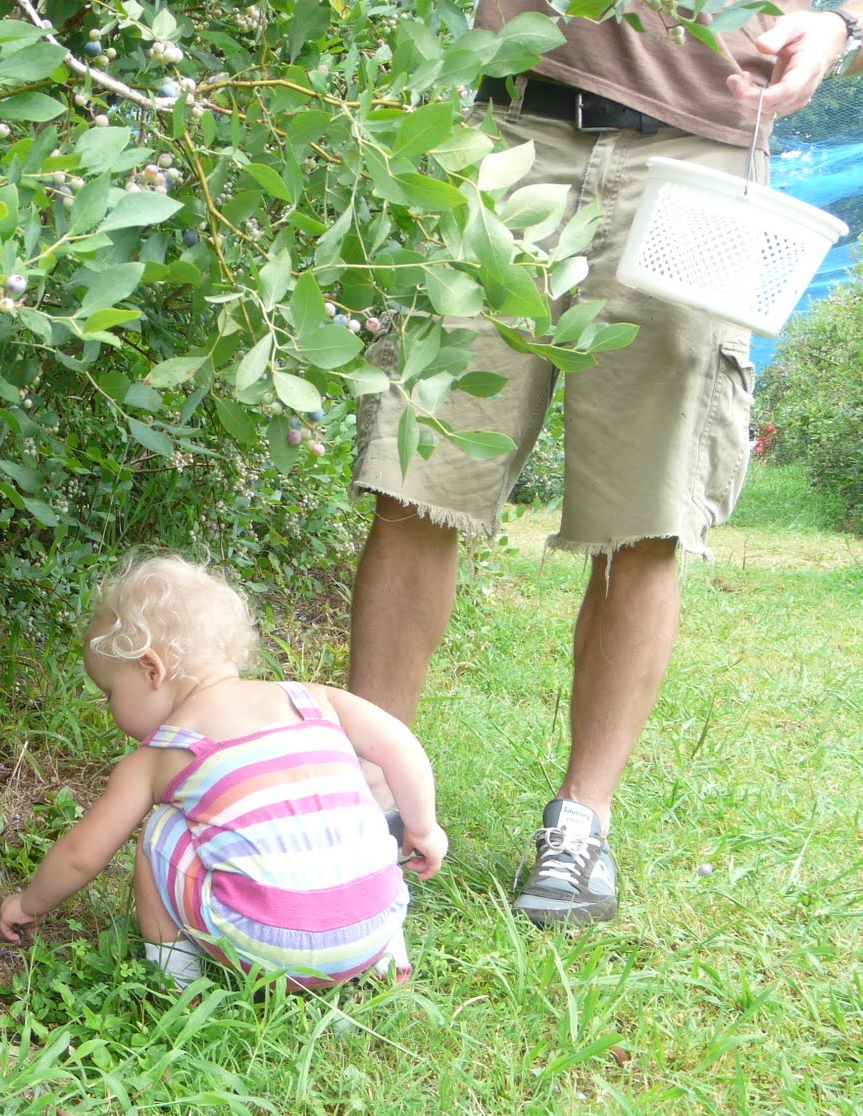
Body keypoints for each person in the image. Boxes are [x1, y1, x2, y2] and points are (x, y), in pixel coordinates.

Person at [347, 0, 861, 926]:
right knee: (416, 473)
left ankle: (581, 824)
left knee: (647, 511)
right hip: (510, 130)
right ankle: (365, 793)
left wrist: (835, 23)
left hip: (703, 162)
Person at [0, 553, 447, 989]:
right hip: (374, 924)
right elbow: (399, 745)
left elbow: (82, 854)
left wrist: (29, 902)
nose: (109, 708)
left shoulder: (162, 755)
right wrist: (424, 828)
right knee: (346, 813)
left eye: (109, 693)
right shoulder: (312, 700)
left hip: (267, 949)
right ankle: (389, 965)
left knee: (160, 832)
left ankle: (174, 978)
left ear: (151, 669)